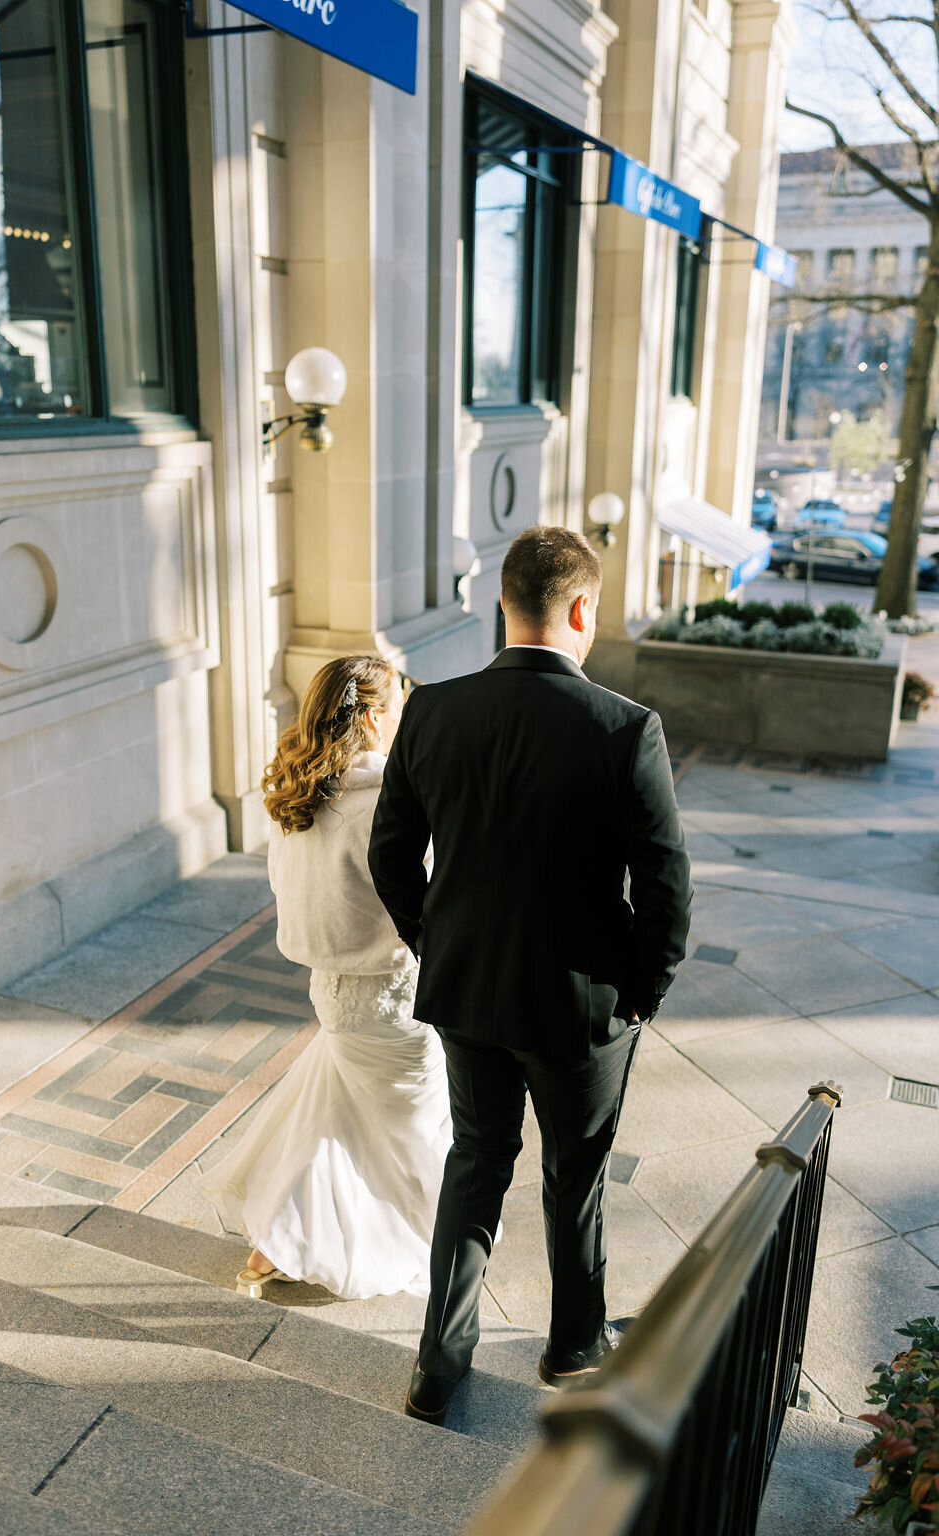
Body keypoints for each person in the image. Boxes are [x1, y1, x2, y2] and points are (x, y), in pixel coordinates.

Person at [368, 525, 692, 1423]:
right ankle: (573, 1347)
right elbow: (667, 887)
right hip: (584, 1006)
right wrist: (643, 993)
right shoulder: (626, 729)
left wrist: (440, 943)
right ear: (581, 608)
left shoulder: (432, 711)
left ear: (503, 608)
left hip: (470, 993)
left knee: (476, 1162)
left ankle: (439, 1365)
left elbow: (389, 857)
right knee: (574, 1178)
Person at [199, 654, 452, 1302]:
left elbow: (290, 889)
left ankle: (274, 1245)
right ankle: (438, 1240)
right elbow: (422, 902)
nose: (400, 720)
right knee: (418, 1125)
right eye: (395, 707)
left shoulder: (298, 794)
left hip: (332, 990)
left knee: (339, 1112)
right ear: (372, 716)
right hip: (389, 994)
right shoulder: (387, 806)